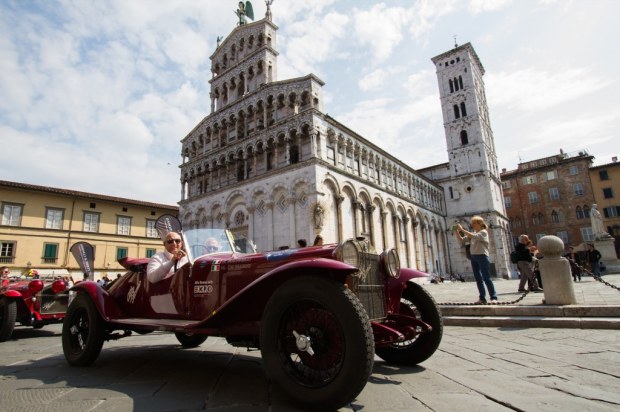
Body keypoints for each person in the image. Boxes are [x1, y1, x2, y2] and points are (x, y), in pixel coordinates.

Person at [456, 216, 498, 304]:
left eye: (474, 223)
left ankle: (493, 297)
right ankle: (482, 298)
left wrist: (462, 230)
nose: (472, 225)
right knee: (478, 279)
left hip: (482, 256)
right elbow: (462, 240)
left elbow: (474, 236)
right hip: (474, 257)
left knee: (486, 278)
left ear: (480, 224)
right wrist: (457, 231)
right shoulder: (474, 233)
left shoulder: (483, 232)